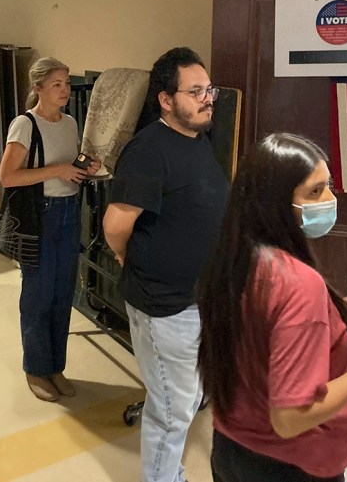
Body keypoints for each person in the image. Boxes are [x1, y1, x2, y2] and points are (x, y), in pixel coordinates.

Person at [198, 133, 347, 482]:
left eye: (329, 186)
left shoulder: (238, 257)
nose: (331, 200)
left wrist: (339, 310)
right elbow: (290, 417)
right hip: (290, 465)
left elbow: (269, 333)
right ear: (275, 203)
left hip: (232, 448)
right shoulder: (298, 283)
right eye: (315, 192)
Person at [103, 46, 228, 482]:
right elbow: (116, 224)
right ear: (165, 99)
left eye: (208, 89)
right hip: (164, 305)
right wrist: (125, 254)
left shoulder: (199, 139)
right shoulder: (148, 151)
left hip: (199, 298)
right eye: (195, 91)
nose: (206, 98)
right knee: (172, 413)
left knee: (186, 399)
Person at [0, 57, 101, 402]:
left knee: (63, 293)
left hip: (70, 212)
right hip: (41, 215)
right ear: (38, 88)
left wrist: (85, 168)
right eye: (56, 84)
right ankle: (36, 368)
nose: (64, 90)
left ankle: (56, 365)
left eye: (66, 83)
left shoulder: (71, 123)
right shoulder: (25, 125)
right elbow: (8, 176)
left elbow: (68, 168)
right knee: (39, 294)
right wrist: (57, 170)